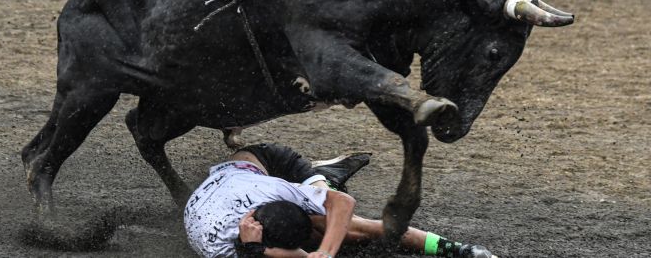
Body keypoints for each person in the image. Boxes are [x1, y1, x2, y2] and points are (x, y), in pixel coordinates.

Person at [184, 143, 496, 258]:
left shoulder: (274, 193)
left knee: (352, 229)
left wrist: (326, 251)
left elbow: (343, 203)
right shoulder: (226, 248)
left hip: (260, 161)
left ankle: (455, 249)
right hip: (236, 187)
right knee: (341, 231)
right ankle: (321, 182)